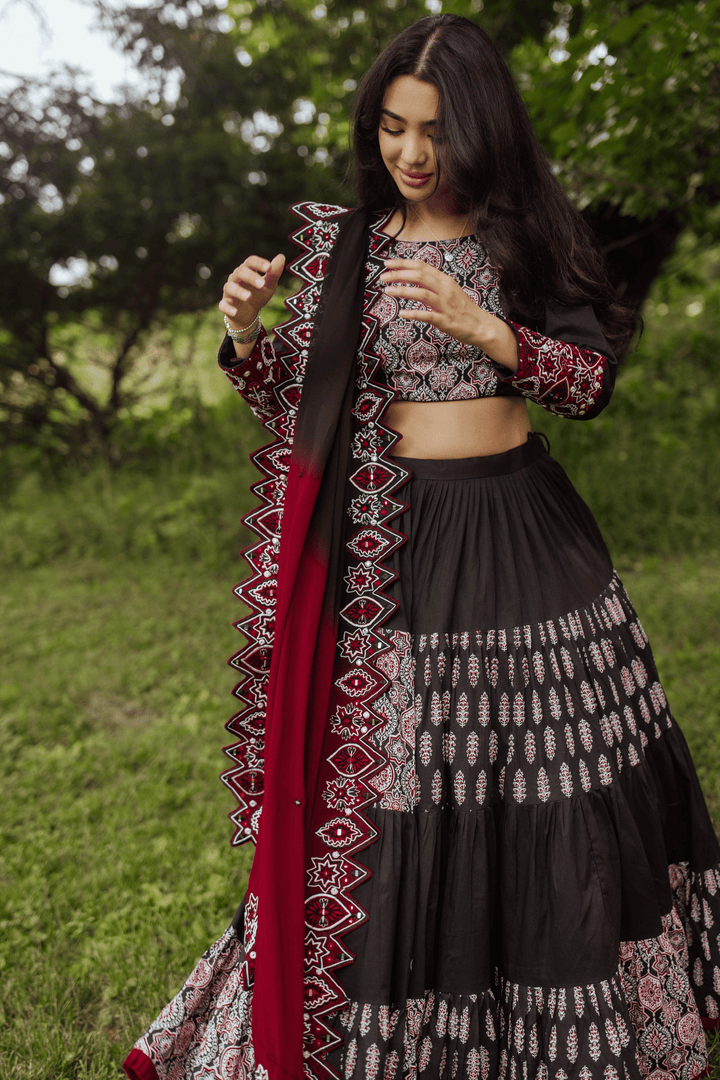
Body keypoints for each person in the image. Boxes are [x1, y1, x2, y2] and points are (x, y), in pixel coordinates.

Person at [123, 15, 720, 1080]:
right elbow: (296, 405)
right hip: (391, 543)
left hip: (522, 531)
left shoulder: (525, 233)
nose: (409, 153)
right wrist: (252, 334)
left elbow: (586, 384)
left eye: (433, 131)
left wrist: (493, 333)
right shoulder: (352, 241)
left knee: (561, 782)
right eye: (393, 127)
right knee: (394, 788)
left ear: (479, 128)